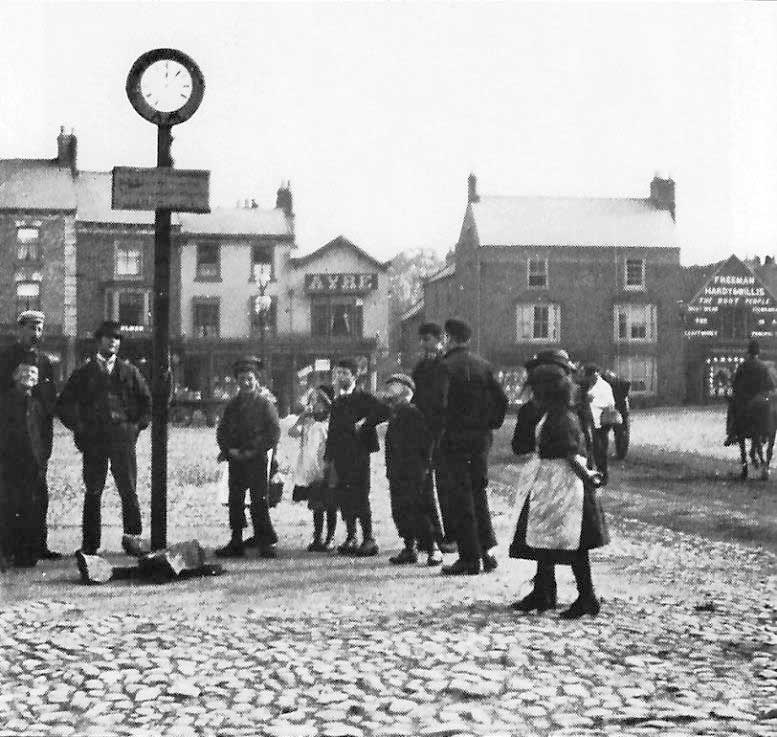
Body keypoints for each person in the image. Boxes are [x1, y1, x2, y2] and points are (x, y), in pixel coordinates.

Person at [509, 363, 609, 618]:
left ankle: (587, 597)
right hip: (551, 483)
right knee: (545, 538)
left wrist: (587, 476)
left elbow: (571, 453)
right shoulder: (556, 413)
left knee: (572, 542)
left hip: (564, 486)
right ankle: (544, 592)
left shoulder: (561, 417)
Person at [57, 321, 152, 556]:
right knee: (93, 490)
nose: (113, 342)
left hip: (122, 438)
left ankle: (133, 539)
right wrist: (80, 428)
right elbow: (64, 405)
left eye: (117, 338)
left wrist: (135, 428)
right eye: (109, 337)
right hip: (94, 439)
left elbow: (146, 403)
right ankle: (90, 544)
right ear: (99, 341)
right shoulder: (83, 373)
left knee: (128, 489)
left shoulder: (130, 372)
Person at [440, 318, 508, 576]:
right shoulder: (484, 365)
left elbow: (437, 404)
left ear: (449, 338)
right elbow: (502, 399)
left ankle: (469, 558)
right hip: (480, 438)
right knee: (478, 493)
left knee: (460, 496)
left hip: (455, 437)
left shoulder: (444, 367)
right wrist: (490, 423)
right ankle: (487, 551)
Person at [0, 310, 60, 562]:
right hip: (10, 434)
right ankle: (9, 548)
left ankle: (37, 545)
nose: (35, 333)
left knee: (38, 494)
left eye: (39, 329)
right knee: (11, 493)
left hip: (36, 436)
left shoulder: (44, 362)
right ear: (20, 329)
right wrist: (15, 389)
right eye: (31, 328)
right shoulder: (5, 357)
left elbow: (50, 400)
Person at [215, 356, 281, 558]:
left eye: (250, 379)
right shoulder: (232, 406)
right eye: (242, 379)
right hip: (236, 460)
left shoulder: (265, 405)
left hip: (257, 460)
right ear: (237, 381)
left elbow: (273, 433)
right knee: (235, 500)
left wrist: (255, 450)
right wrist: (229, 450)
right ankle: (236, 541)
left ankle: (264, 542)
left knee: (259, 500)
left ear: (256, 380)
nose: (246, 383)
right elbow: (222, 431)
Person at [324, 358, 389, 557]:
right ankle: (351, 536)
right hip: (340, 454)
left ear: (354, 376)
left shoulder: (364, 397)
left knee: (361, 495)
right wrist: (328, 457)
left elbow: (384, 411)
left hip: (359, 453)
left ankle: (368, 538)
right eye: (338, 373)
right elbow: (332, 430)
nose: (340, 377)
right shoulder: (336, 401)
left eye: (345, 373)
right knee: (344, 495)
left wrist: (365, 422)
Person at [378, 373, 443, 567]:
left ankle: (433, 548)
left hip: (414, 470)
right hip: (398, 470)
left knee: (419, 509)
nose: (389, 390)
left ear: (405, 391)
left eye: (393, 386)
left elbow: (425, 442)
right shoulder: (395, 412)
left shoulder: (412, 412)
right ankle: (409, 547)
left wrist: (424, 466)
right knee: (400, 509)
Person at [411, 322, 453, 553]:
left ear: (440, 340)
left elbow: (442, 399)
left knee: (444, 485)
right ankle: (430, 534)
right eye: (422, 340)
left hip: (440, 431)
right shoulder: (421, 366)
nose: (423, 344)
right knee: (424, 484)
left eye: (427, 339)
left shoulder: (444, 366)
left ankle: (448, 535)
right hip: (422, 429)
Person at [289, 385, 337, 552]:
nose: (313, 404)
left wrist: (326, 467)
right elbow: (292, 432)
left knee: (329, 503)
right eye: (312, 400)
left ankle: (330, 537)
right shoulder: (308, 421)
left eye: (317, 401)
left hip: (326, 466)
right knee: (316, 504)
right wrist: (301, 418)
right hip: (310, 468)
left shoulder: (330, 422)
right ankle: (317, 537)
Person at [726, 339, 777, 446]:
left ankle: (732, 433)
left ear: (748, 352)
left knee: (732, 409)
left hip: (745, 398)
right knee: (770, 410)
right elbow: (770, 385)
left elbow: (735, 383)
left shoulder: (742, 365)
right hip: (760, 397)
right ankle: (767, 431)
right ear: (758, 352)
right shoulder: (763, 367)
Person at [582, 363, 616, 486]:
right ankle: (597, 474)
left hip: (602, 422)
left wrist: (592, 400)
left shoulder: (603, 386)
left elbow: (610, 403)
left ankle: (603, 475)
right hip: (593, 421)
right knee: (594, 449)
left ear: (596, 374)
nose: (591, 378)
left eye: (592, 375)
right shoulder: (591, 385)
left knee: (600, 450)